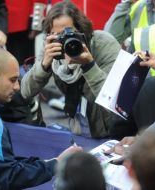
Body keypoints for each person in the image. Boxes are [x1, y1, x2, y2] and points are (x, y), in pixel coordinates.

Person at [0, 48, 82, 189]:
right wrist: (57, 164)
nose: (17, 87)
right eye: (13, 80)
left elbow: (2, 164)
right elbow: (10, 177)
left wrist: (52, 161)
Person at [21, 1, 121, 138]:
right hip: (79, 127)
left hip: (110, 129)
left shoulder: (103, 43)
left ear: (81, 30)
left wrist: (89, 65)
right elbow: (26, 91)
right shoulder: (52, 47)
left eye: (67, 33)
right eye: (55, 34)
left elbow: (113, 99)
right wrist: (44, 65)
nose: (63, 40)